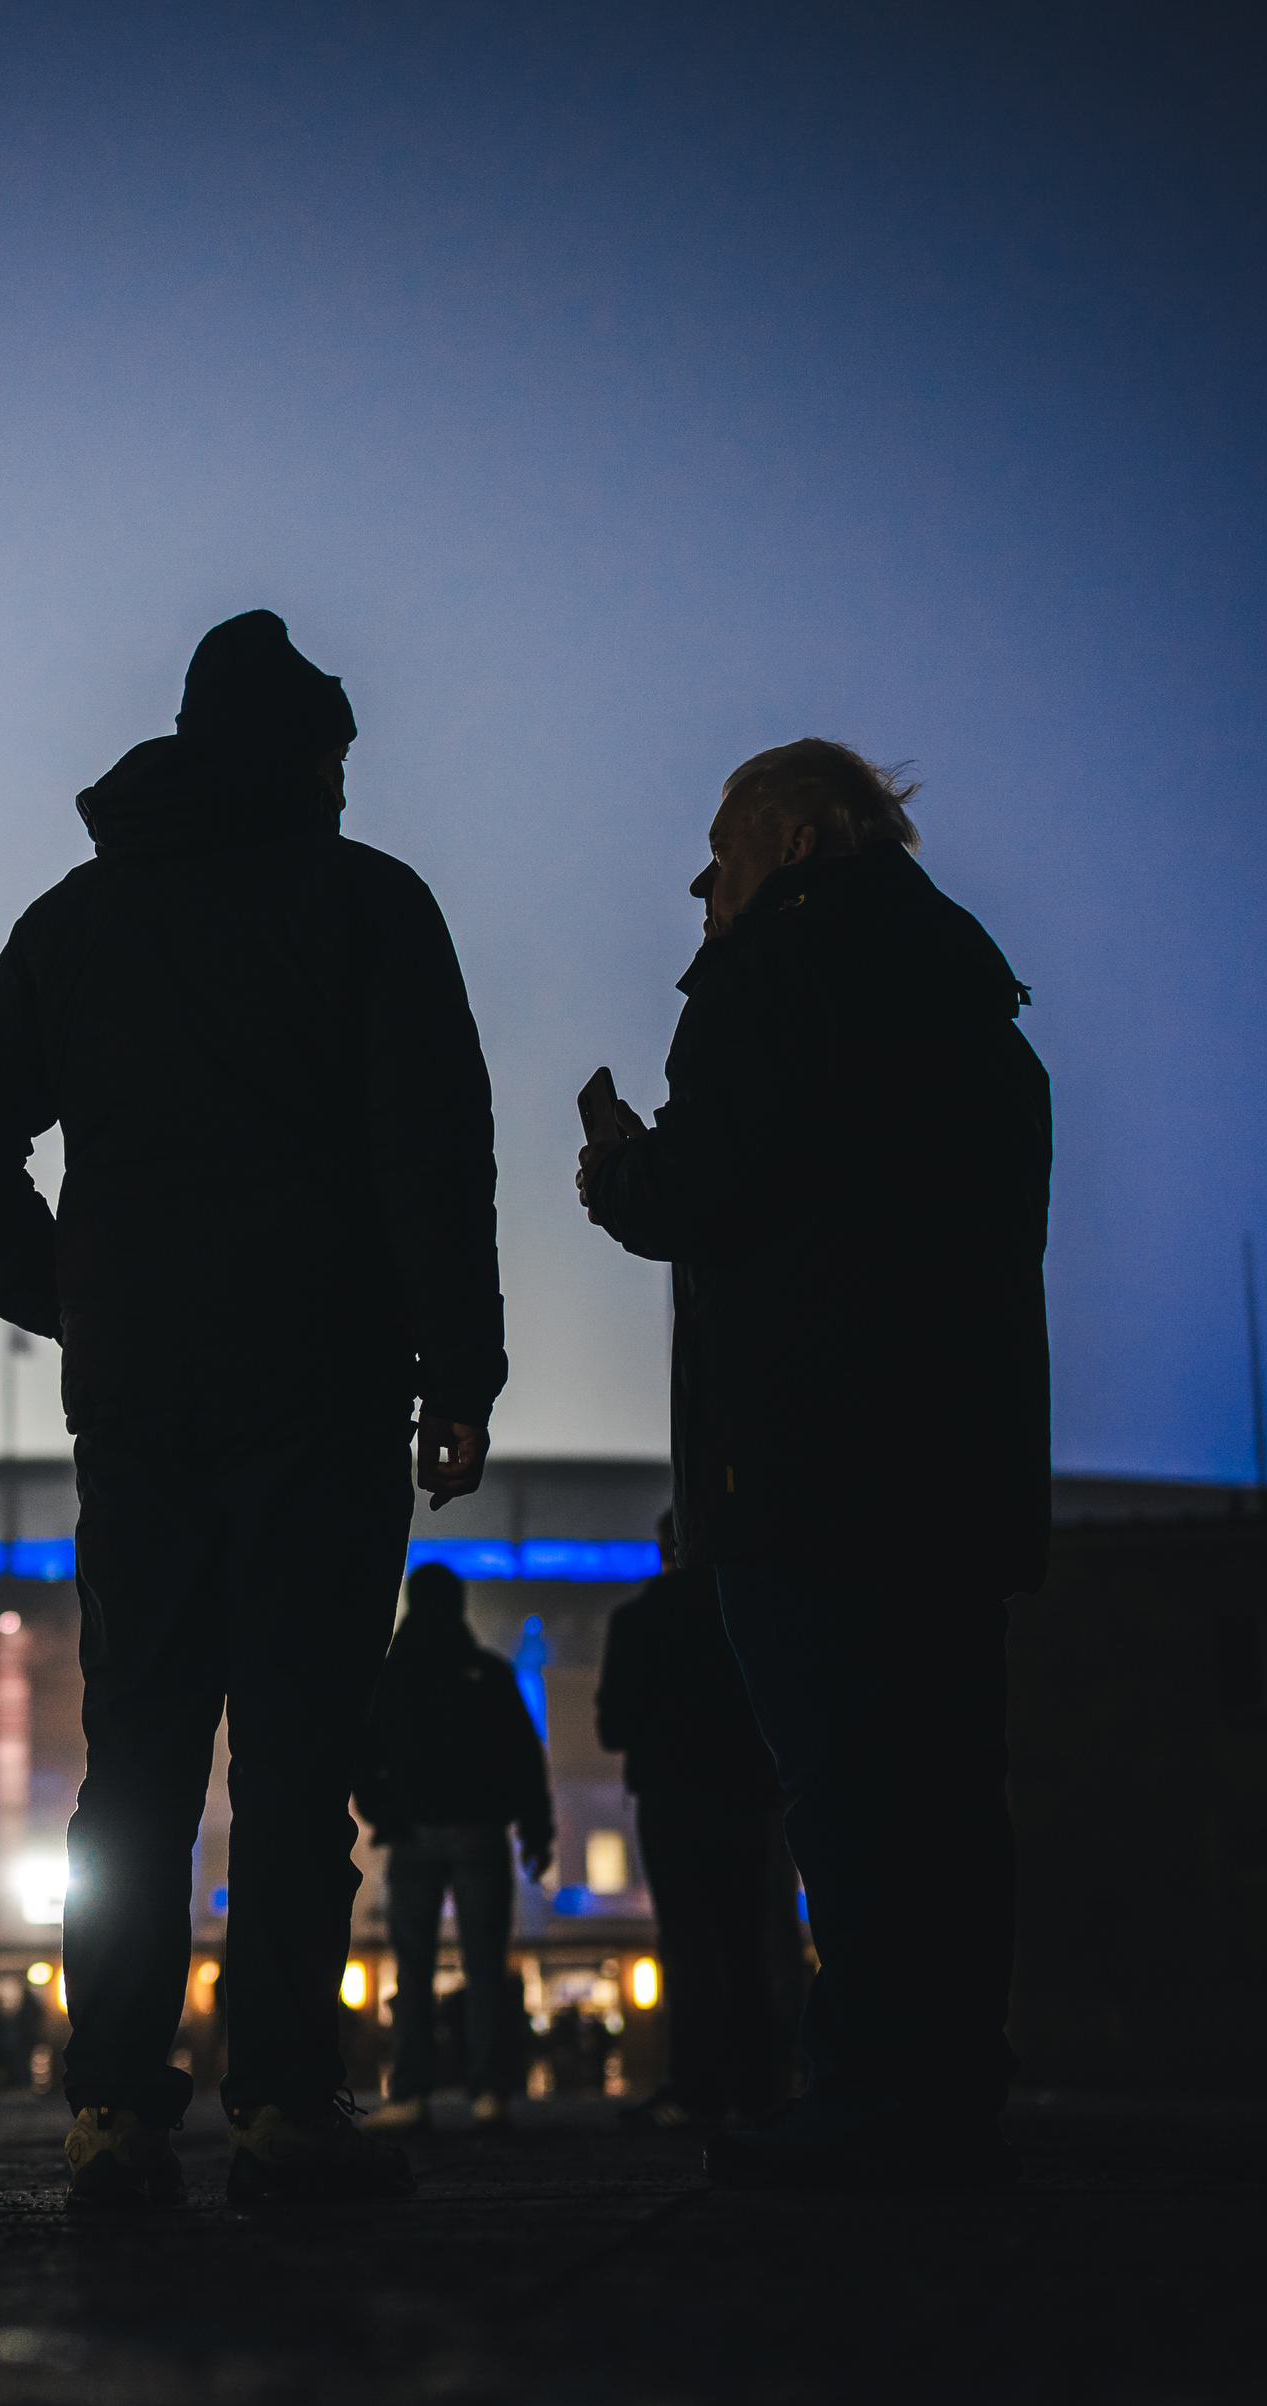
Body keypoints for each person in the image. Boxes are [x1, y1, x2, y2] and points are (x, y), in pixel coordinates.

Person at [0, 609, 501, 2212]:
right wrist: (462, 1371)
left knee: (138, 1762)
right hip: (325, 1384)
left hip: (145, 1394)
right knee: (299, 1754)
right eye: (333, 753)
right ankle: (283, 2103)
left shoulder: (79, 923)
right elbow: (434, 1155)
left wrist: (64, 1294)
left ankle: (113, 2107)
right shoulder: (371, 907)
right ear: (303, 755)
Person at [577, 738, 1050, 2192]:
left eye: (719, 853)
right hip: (960, 1454)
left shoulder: (774, 972)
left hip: (805, 1455)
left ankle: (869, 2095)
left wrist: (619, 1167)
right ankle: (948, 2084)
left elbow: (710, 1190)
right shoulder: (973, 994)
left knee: (846, 1786)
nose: (699, 886)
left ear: (787, 841)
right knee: (950, 1786)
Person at [598, 1508, 801, 2130]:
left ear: (663, 1550)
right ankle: (760, 2087)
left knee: (686, 1946)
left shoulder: (635, 1622)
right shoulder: (750, 1617)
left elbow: (612, 1728)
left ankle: (696, 2088)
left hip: (669, 1801)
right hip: (742, 1800)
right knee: (747, 1943)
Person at [365, 1561, 557, 2128]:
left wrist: (382, 1811)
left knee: (412, 1966)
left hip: (412, 1832)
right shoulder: (489, 1674)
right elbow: (524, 1757)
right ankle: (488, 2090)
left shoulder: (391, 1675)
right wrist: (535, 1831)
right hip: (480, 1830)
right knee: (484, 1963)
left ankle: (411, 2093)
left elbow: (361, 1751)